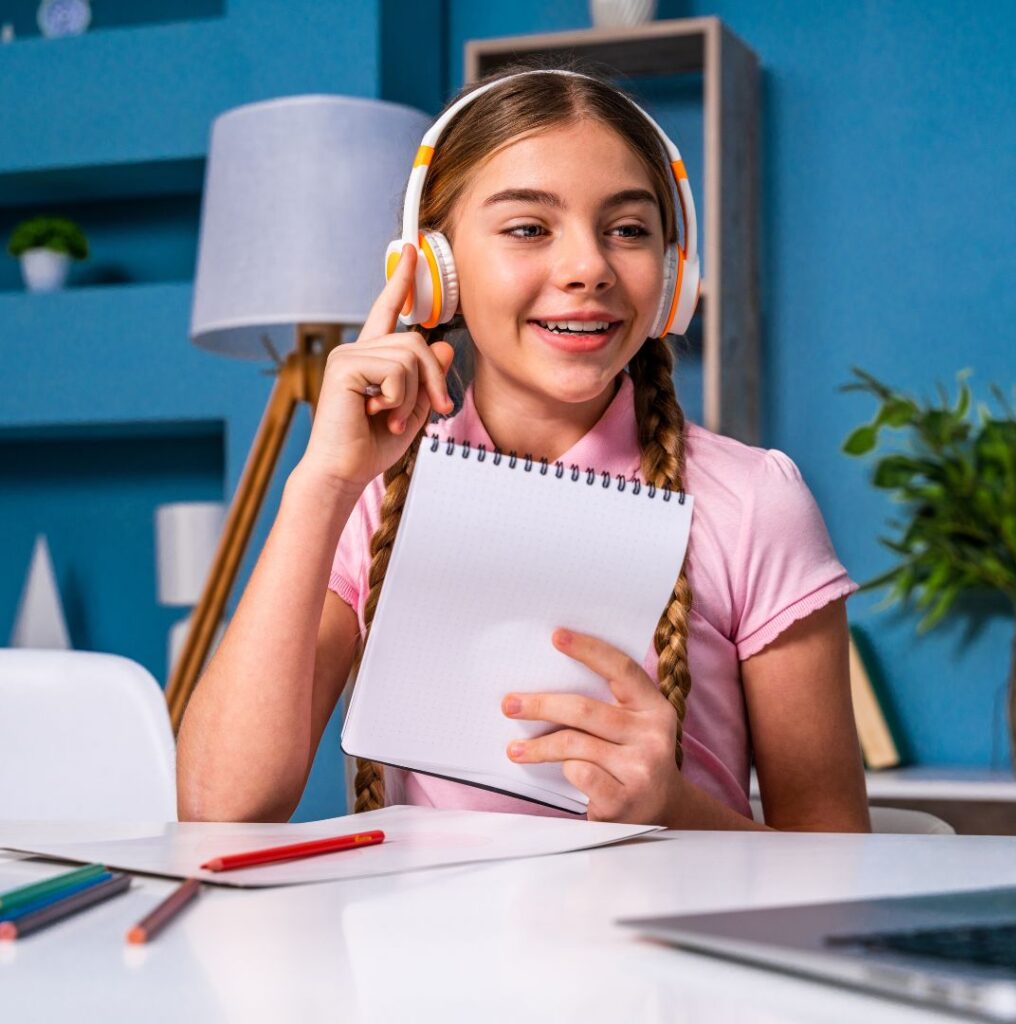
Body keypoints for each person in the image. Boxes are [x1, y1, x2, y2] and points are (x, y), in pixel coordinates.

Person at [177, 64, 870, 832]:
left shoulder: (753, 503)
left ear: (672, 277)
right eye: (529, 228)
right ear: (435, 272)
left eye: (629, 230)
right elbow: (219, 809)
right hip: (427, 949)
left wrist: (675, 810)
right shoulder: (371, 493)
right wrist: (321, 482)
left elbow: (835, 857)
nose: (589, 268)